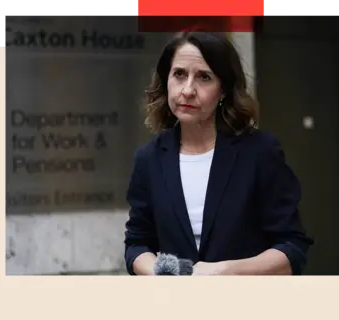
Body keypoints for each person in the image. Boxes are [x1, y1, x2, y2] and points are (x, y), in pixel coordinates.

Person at [124, 31, 314, 276]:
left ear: (223, 90)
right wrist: (161, 274)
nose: (188, 90)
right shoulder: (149, 159)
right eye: (179, 74)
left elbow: (292, 248)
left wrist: (226, 271)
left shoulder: (259, 153)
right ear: (166, 80)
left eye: (204, 77)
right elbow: (137, 243)